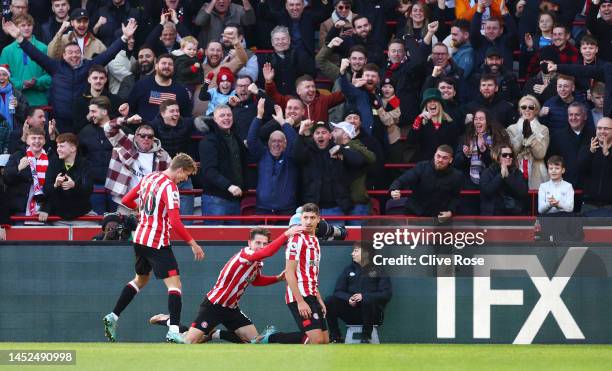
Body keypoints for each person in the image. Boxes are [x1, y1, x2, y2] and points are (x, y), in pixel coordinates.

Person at [103, 153, 205, 343]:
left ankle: (113, 316)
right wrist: (193, 243)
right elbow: (175, 222)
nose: (185, 179)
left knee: (140, 280)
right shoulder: (170, 187)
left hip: (140, 238)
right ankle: (174, 331)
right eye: (187, 175)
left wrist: (140, 210)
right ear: (180, 169)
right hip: (157, 241)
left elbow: (126, 200)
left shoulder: (150, 177)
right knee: (175, 285)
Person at [158, 225, 304, 344]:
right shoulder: (246, 255)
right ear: (249, 243)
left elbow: (256, 281)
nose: (261, 246)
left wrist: (277, 278)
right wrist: (286, 235)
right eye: (258, 243)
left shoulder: (257, 262)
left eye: (265, 244)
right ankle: (170, 322)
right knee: (189, 342)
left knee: (254, 341)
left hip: (231, 309)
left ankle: (214, 334)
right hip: (214, 305)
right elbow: (265, 253)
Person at [1, 17, 137, 133]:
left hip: (85, 121)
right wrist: (19, 38)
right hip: (59, 121)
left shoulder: (89, 66)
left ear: (82, 54)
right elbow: (36, 55)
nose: (74, 55)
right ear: (63, 55)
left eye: (77, 52)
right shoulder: (55, 67)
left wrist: (124, 38)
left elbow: (109, 54)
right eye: (70, 52)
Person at [259, 203, 329, 344]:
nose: (308, 221)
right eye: (305, 217)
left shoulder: (315, 241)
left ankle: (271, 337)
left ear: (318, 220)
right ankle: (270, 338)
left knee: (325, 341)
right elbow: (289, 273)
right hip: (300, 295)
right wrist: (300, 302)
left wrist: (319, 298)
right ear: (301, 219)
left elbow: (312, 275)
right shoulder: (296, 240)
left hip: (312, 293)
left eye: (312, 217)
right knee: (316, 341)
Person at [325, 243, 391, 343]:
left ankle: (366, 337)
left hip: (372, 314)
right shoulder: (348, 270)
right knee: (330, 300)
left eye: (356, 251)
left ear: (365, 254)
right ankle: (336, 336)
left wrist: (364, 296)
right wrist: (348, 298)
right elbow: (338, 292)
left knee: (367, 300)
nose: (352, 254)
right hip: (352, 313)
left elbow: (386, 294)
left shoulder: (379, 270)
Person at [104, 119, 171, 213]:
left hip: (150, 206)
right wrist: (127, 120)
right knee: (121, 227)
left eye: (150, 136)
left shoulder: (163, 155)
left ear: (153, 138)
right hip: (125, 203)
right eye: (142, 136)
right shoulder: (125, 144)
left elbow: (171, 180)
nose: (146, 138)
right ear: (136, 136)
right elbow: (108, 128)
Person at [247, 98, 298, 215]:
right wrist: (259, 116)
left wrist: (283, 122)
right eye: (273, 141)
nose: (276, 144)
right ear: (268, 143)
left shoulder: (291, 157)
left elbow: (295, 143)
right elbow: (251, 140)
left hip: (286, 210)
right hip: (263, 209)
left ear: (285, 144)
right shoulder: (262, 154)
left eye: (280, 141)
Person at [198, 105, 247, 224]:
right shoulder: (208, 140)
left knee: (235, 239)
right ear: (214, 119)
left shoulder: (235, 138)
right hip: (215, 199)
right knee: (214, 240)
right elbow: (209, 171)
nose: (226, 118)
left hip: (235, 198)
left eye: (229, 115)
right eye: (222, 115)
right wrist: (229, 186)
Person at [389, 144, 463, 221]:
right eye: (438, 156)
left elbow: (455, 197)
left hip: (439, 218)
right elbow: (401, 180)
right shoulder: (422, 167)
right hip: (415, 213)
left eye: (445, 158)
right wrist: (394, 190)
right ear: (434, 155)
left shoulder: (457, 176)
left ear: (450, 160)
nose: (440, 160)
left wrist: (450, 212)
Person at [0, 14, 51, 107]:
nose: (27, 28)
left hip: (39, 103)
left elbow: (50, 76)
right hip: (15, 102)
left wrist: (37, 82)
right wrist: (22, 84)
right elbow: (2, 77)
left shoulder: (43, 48)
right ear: (16, 27)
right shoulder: (7, 51)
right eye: (23, 25)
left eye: (29, 25)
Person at [41, 132, 93, 221]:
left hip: (81, 215)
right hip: (57, 216)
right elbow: (46, 190)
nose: (58, 149)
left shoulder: (85, 165)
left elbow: (88, 190)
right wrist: (55, 185)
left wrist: (74, 185)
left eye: (62, 146)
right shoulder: (54, 164)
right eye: (57, 146)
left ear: (73, 148)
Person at [127, 53, 192, 122]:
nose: (167, 66)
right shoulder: (141, 85)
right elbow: (129, 109)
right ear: (156, 66)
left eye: (170, 64)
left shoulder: (181, 91)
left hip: (169, 131)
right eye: (164, 63)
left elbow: (186, 117)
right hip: (143, 130)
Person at [3, 126, 48, 220]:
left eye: (40, 138)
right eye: (33, 138)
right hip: (20, 210)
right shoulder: (17, 155)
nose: (37, 141)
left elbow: (52, 187)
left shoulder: (50, 158)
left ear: (44, 141)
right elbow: (6, 179)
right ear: (27, 141)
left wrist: (47, 208)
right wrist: (18, 168)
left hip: (42, 211)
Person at [79, 96, 115, 215]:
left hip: (117, 186)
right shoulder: (85, 132)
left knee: (120, 223)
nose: (90, 115)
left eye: (93, 111)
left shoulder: (120, 130)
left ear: (104, 112)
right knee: (97, 223)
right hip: (95, 186)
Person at [506, 95, 550, 190]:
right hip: (516, 170)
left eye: (531, 107)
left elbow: (540, 154)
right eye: (523, 107)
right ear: (520, 110)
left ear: (536, 110)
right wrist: (522, 135)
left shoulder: (543, 129)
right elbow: (511, 153)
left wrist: (531, 138)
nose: (527, 110)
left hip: (537, 173)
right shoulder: (511, 129)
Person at [409, 88, 462, 163]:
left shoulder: (450, 123)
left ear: (440, 104)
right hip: (424, 164)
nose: (432, 103)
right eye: (429, 101)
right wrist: (418, 120)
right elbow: (411, 142)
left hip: (444, 164)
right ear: (426, 106)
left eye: (435, 101)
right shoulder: (420, 123)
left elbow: (455, 146)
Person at [479, 144, 529, 215]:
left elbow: (523, 192)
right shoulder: (488, 172)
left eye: (510, 155)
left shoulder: (517, 172)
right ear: (497, 157)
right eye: (505, 155)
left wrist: (508, 177)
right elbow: (487, 191)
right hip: (492, 214)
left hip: (513, 215)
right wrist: (501, 176)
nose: (508, 157)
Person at [72, 65, 123, 133]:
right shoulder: (79, 101)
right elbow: (75, 129)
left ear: (105, 80)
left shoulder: (115, 100)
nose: (98, 81)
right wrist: (88, 117)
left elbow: (121, 124)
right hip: (87, 140)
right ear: (89, 79)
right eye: (95, 78)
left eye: (101, 78)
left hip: (110, 139)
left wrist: (103, 116)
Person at [581, 117, 612, 216]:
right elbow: (580, 169)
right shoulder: (586, 149)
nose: (602, 131)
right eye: (599, 128)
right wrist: (590, 152)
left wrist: (607, 154)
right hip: (588, 205)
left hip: (610, 206)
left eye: (606, 128)